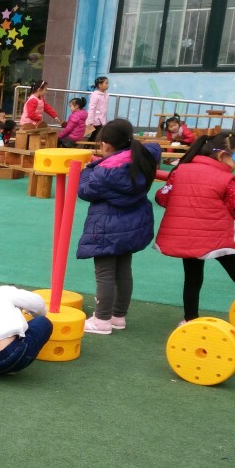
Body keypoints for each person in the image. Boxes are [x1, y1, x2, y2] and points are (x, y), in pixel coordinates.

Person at [154, 131, 235, 325]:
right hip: (218, 236)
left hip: (189, 236)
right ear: (222, 155)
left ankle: (190, 319)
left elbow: (162, 197)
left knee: (192, 278)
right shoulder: (226, 179)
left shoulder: (180, 171)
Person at [75, 119, 160, 335]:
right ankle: (118, 316)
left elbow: (85, 190)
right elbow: (153, 148)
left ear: (105, 144)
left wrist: (88, 169)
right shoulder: (141, 159)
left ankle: (102, 319)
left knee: (105, 272)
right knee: (123, 270)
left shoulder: (103, 172)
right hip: (132, 226)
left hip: (106, 227)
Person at [85, 76, 109, 141]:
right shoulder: (95, 96)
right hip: (95, 120)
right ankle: (87, 146)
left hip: (102, 119)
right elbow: (91, 108)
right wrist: (90, 121)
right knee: (95, 135)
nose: (108, 85)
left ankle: (89, 146)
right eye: (106, 83)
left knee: (96, 135)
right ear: (100, 85)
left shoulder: (106, 95)